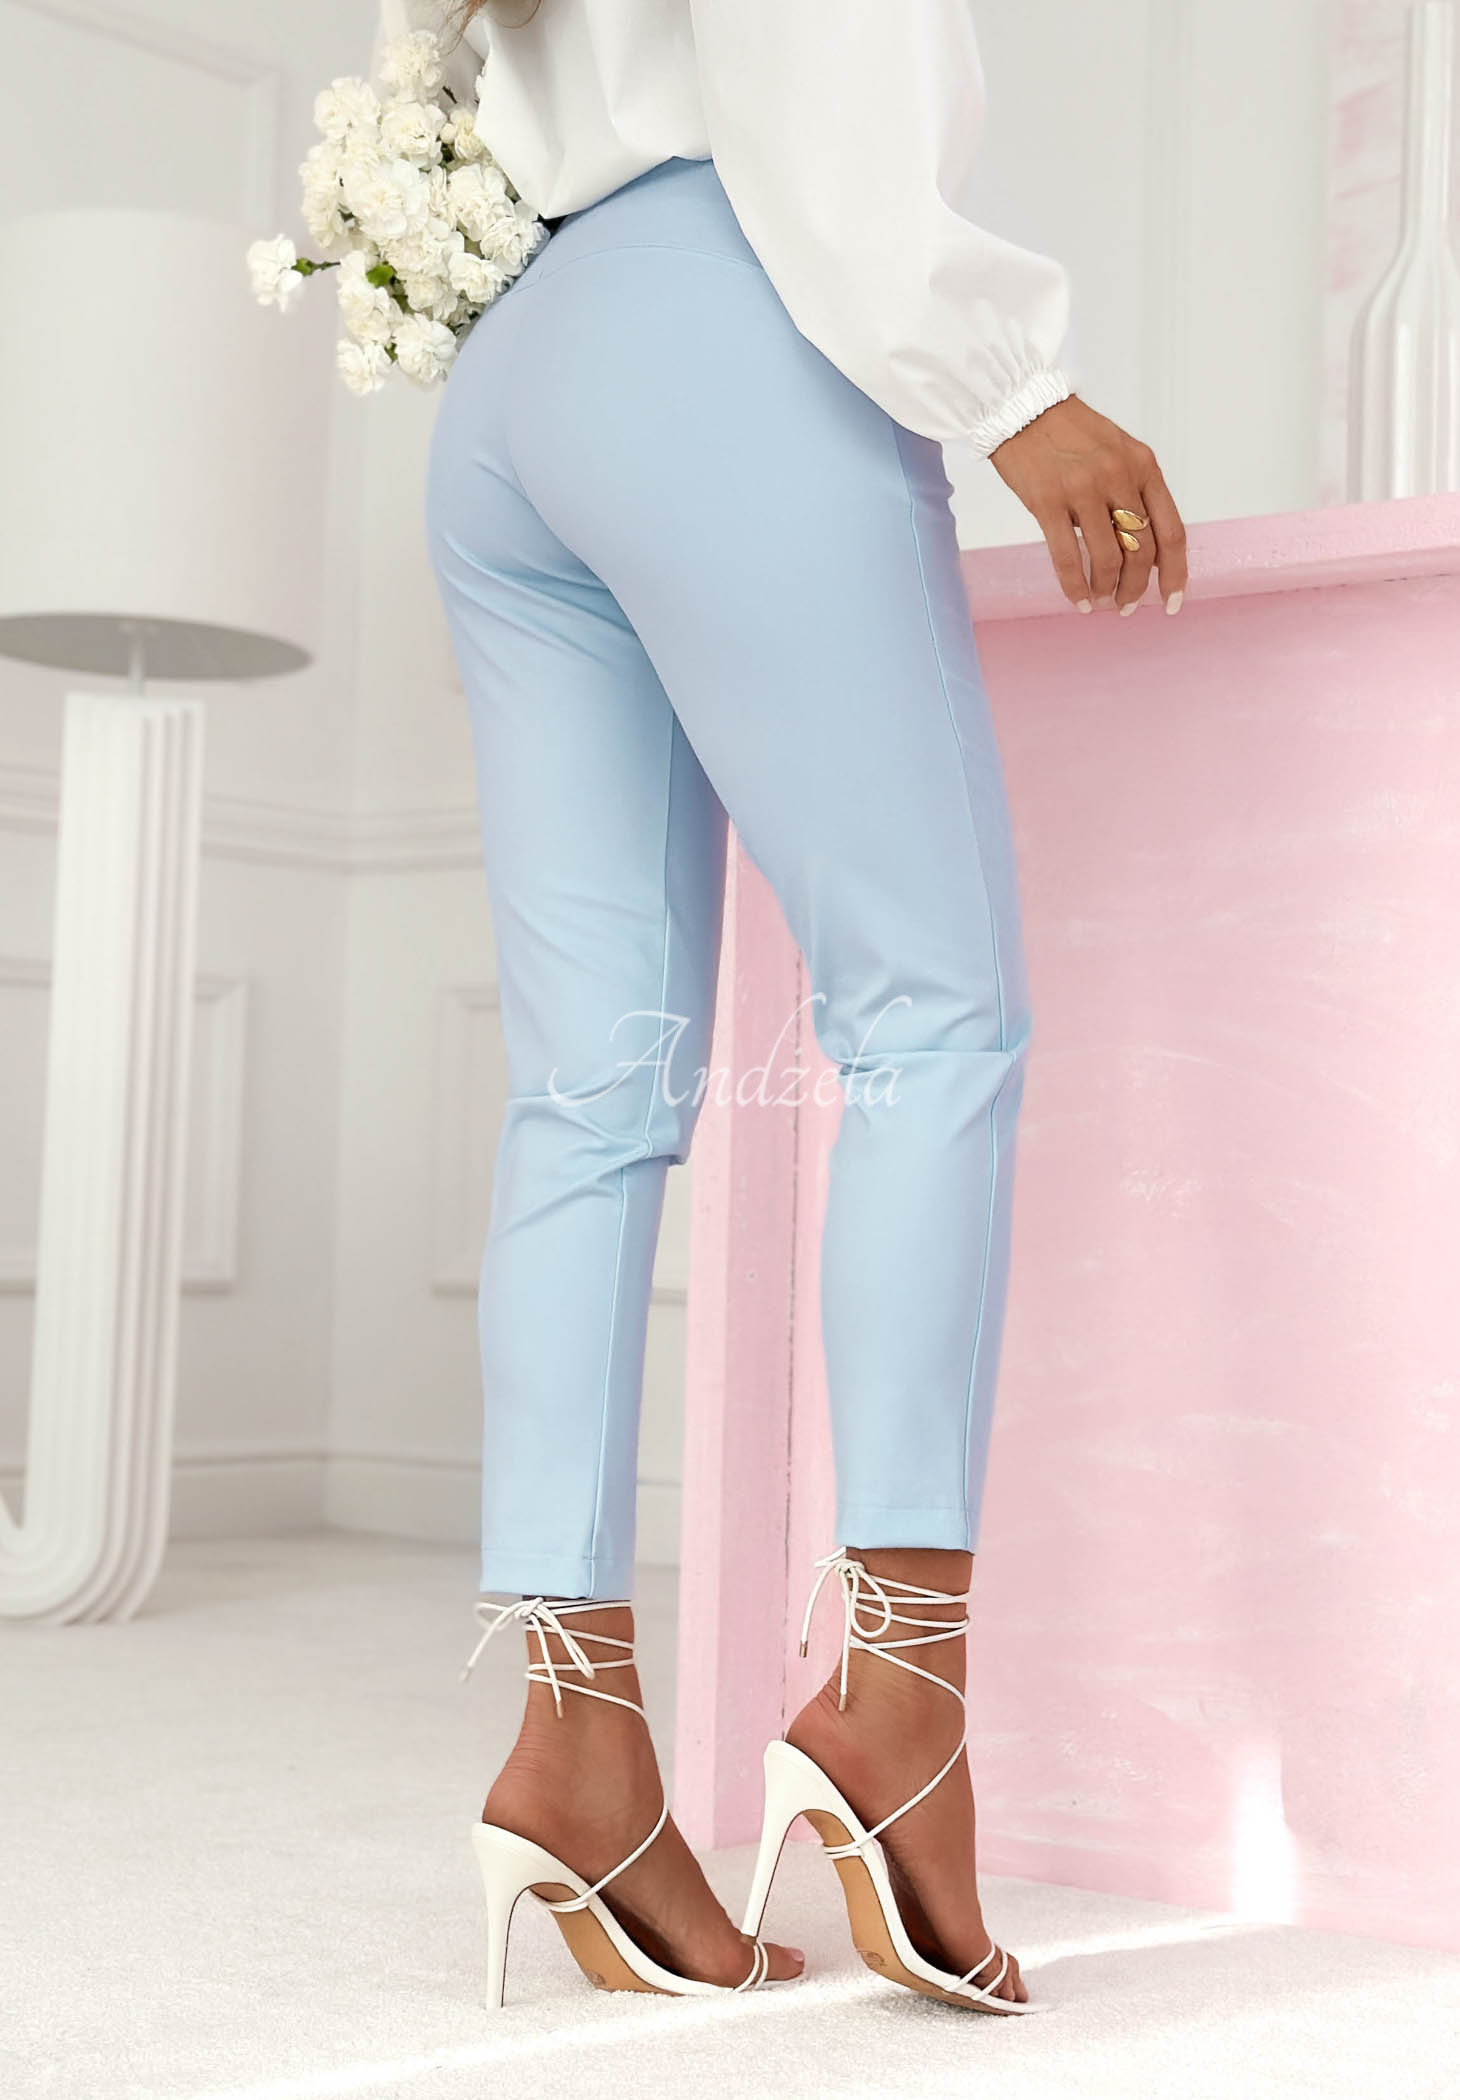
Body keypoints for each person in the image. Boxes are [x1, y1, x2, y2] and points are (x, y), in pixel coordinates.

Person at [398, 0, 1187, 2014]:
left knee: (590, 1091)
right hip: (728, 320)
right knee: (932, 1019)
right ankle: (898, 1699)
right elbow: (806, 59)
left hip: (520, 383)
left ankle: (575, 1751)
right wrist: (1013, 386)